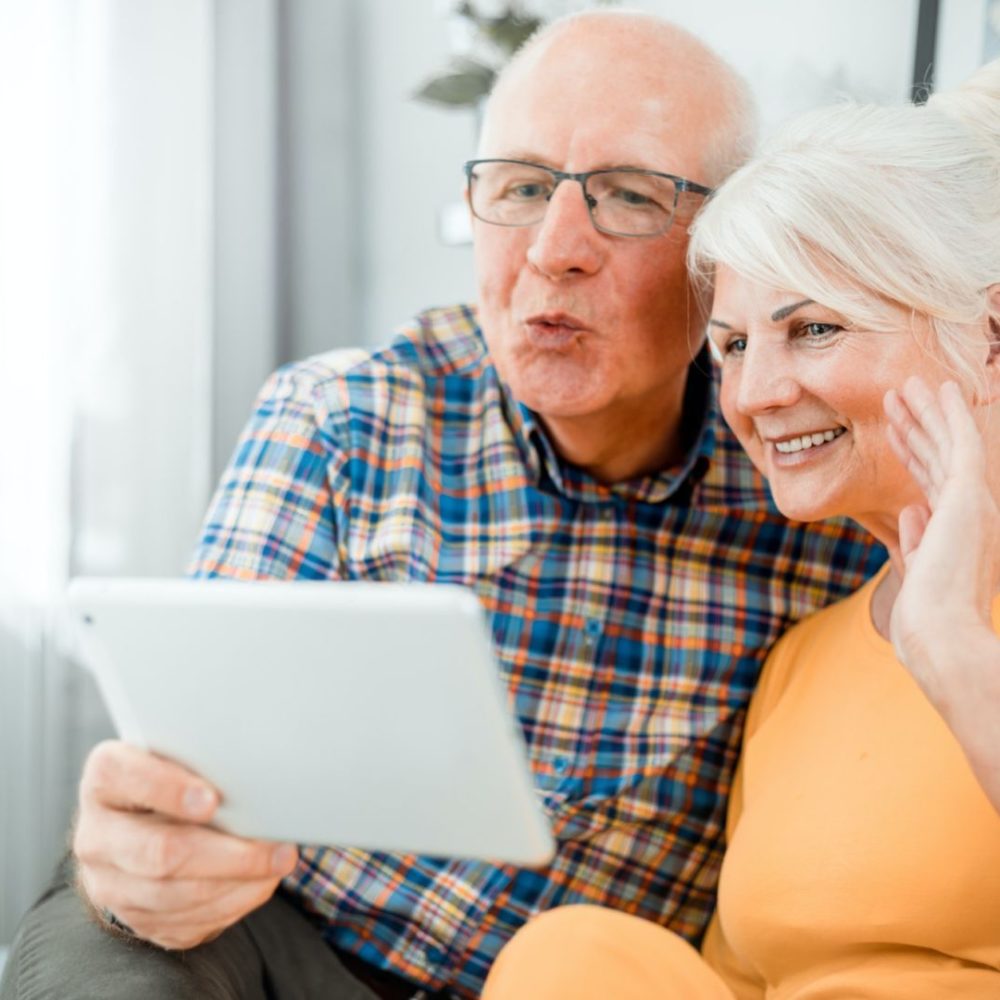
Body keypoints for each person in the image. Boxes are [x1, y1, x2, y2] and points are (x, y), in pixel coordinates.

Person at [0, 12, 882, 1000]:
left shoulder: (808, 494)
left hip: (578, 982)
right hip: (278, 943)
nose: (554, 249)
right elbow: (182, 790)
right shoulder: (341, 419)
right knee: (109, 946)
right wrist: (134, 860)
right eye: (517, 188)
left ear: (723, 252)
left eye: (628, 196)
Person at [480, 58, 1000, 999]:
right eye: (732, 346)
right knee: (574, 956)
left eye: (815, 330)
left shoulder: (962, 642)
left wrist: (956, 651)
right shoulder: (804, 659)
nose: (757, 395)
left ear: (991, 335)